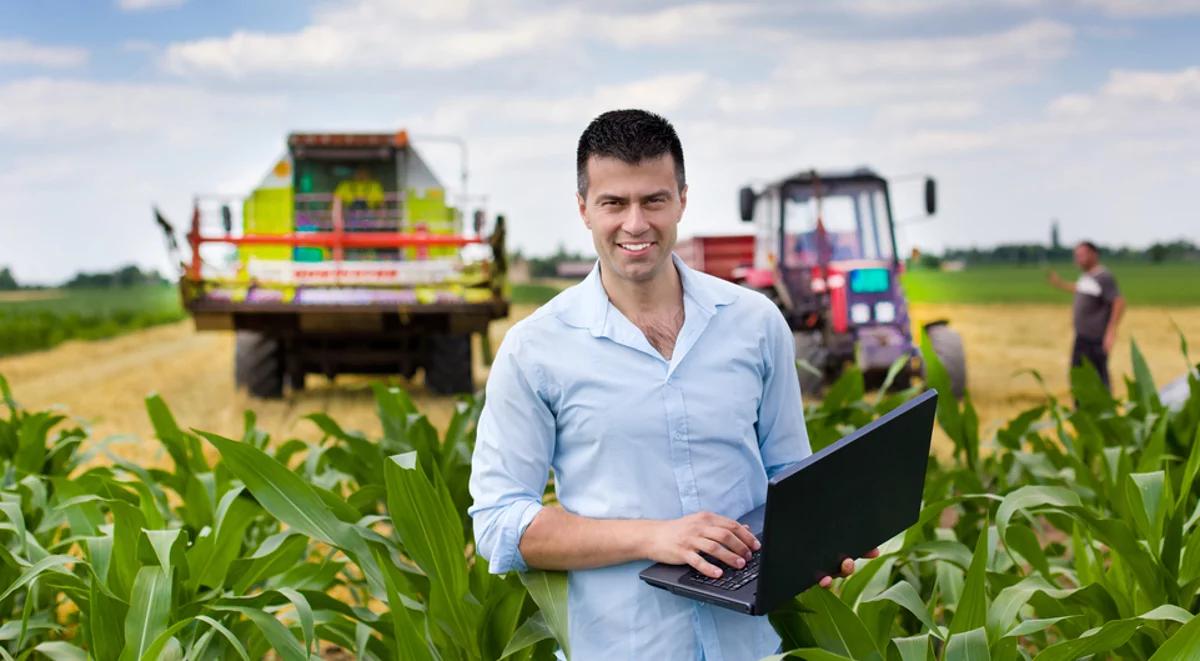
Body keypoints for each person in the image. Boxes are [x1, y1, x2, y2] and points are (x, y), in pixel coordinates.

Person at [468, 109, 873, 660]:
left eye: (654, 200)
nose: (636, 224)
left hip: (750, 647)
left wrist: (827, 537)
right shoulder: (535, 349)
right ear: (584, 209)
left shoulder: (754, 324)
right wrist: (654, 536)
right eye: (614, 203)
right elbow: (499, 524)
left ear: (682, 198)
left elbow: (788, 478)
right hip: (620, 647)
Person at [1047, 240, 1125, 389]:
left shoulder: (1104, 277)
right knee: (1079, 376)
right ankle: (1081, 409)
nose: (1077, 259)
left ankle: (1105, 410)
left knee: (1097, 378)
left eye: (1081, 255)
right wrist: (1060, 283)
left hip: (1095, 339)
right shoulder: (1088, 277)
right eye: (1076, 255)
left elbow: (1118, 301)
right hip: (1082, 337)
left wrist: (1111, 330)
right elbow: (1081, 289)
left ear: (1094, 254)